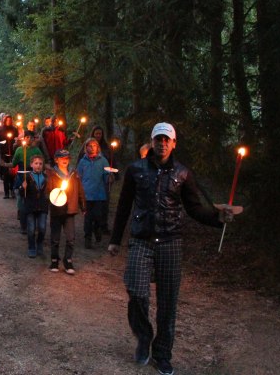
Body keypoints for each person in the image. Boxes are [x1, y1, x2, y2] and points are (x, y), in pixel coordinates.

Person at [107, 122, 236, 375]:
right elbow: (124, 206)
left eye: (167, 140)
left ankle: (163, 354)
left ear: (174, 143)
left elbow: (195, 209)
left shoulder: (183, 174)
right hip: (141, 240)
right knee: (136, 291)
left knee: (168, 302)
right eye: (158, 139)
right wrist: (114, 239)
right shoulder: (135, 170)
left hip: (170, 242)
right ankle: (144, 338)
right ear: (152, 141)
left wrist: (218, 219)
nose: (162, 143)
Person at [46, 149, 85, 274]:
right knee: (55, 237)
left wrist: (83, 205)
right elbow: (47, 191)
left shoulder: (74, 174)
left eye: (67, 158)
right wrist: (54, 195)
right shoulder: (52, 174)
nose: (65, 160)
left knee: (71, 237)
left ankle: (68, 260)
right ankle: (54, 259)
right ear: (56, 160)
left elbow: (80, 190)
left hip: (70, 209)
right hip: (57, 209)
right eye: (62, 158)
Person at [76, 138, 111, 248]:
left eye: (94, 146)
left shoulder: (103, 160)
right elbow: (78, 177)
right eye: (89, 146)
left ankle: (97, 230)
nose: (91, 148)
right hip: (86, 195)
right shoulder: (82, 161)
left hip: (99, 194)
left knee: (98, 216)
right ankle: (88, 238)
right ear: (86, 148)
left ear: (97, 147)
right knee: (88, 218)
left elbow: (107, 177)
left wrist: (109, 177)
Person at [17, 154, 49, 258]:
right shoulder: (27, 177)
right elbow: (21, 194)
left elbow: (49, 191)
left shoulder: (46, 177)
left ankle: (39, 244)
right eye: (36, 163)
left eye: (40, 163)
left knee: (42, 228)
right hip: (30, 206)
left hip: (42, 206)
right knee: (31, 229)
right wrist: (22, 187)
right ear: (31, 164)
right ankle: (31, 247)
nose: (38, 165)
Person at [12, 134, 44, 233]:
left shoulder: (37, 150)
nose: (29, 139)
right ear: (24, 139)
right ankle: (23, 225)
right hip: (22, 176)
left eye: (30, 137)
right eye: (26, 137)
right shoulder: (19, 150)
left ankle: (34, 223)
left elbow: (41, 161)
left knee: (32, 199)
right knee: (22, 200)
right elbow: (14, 162)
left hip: (33, 176)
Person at [0, 114, 18, 198]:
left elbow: (16, 139)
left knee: (13, 173)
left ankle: (12, 190)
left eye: (10, 120)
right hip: (4, 153)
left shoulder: (14, 129)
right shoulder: (1, 129)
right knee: (6, 174)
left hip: (13, 153)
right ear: (5, 120)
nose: (9, 121)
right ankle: (6, 192)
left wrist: (15, 142)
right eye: (7, 120)